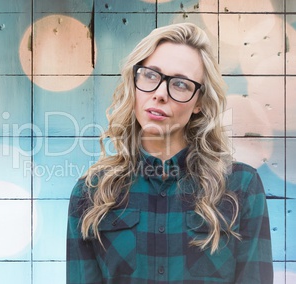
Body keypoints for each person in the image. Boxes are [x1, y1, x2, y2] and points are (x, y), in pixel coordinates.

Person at [66, 22, 273, 283]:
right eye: (151, 75)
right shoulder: (91, 194)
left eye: (181, 84)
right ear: (135, 81)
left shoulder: (241, 187)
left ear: (199, 102)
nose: (161, 94)